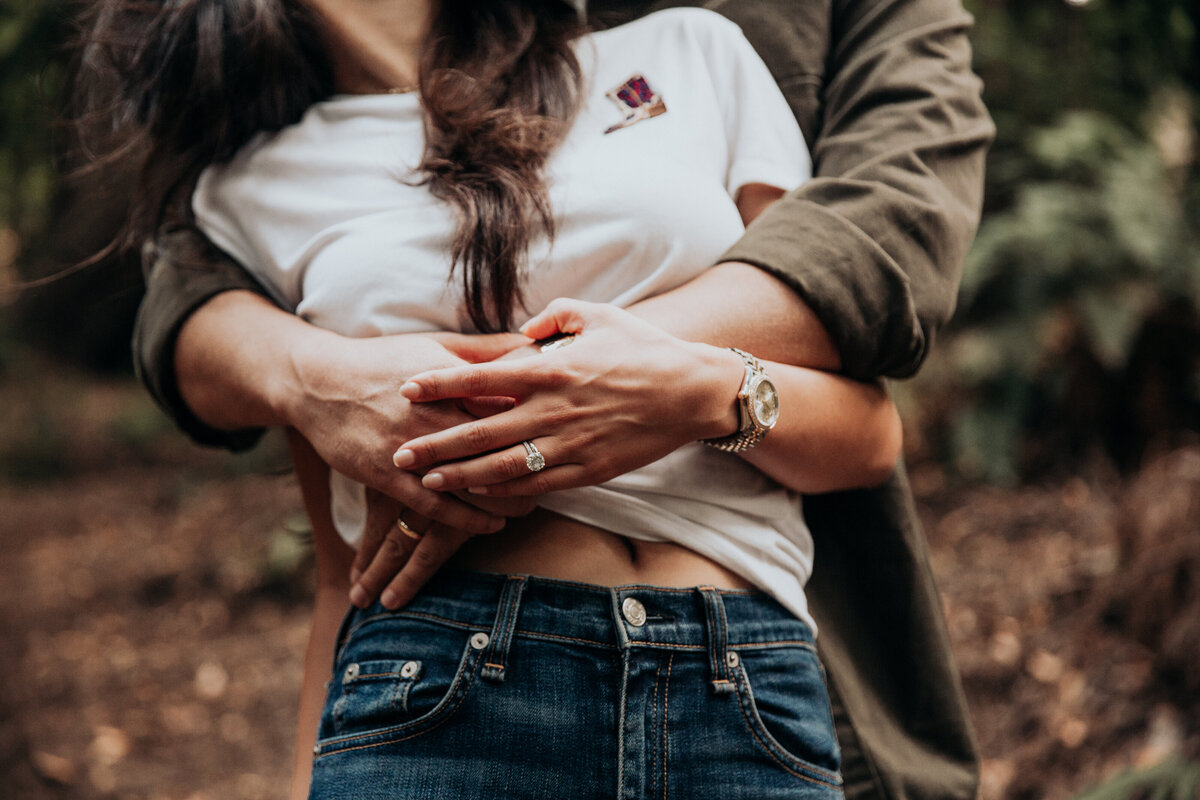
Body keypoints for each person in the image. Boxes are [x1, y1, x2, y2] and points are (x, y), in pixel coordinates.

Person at [112, 1, 993, 798]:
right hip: (436, 685)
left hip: (750, 685)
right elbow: (344, 574)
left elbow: (868, 432)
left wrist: (698, 390)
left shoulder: (693, 54)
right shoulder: (257, 181)